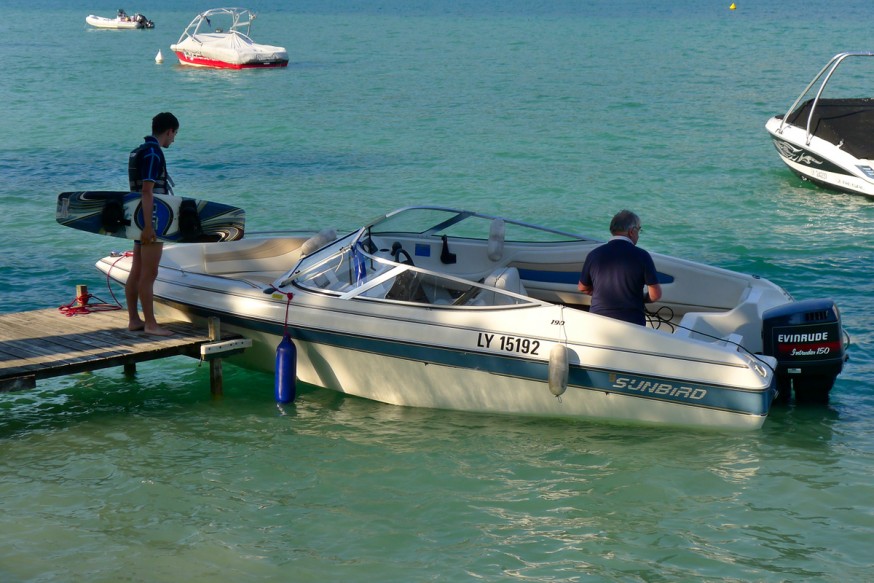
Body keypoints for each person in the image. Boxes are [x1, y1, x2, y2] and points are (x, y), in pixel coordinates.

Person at [125, 112, 179, 336]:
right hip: (152, 219)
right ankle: (150, 324)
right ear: (169, 131)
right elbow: (147, 191)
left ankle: (134, 320)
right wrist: (149, 226)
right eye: (174, 134)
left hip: (137, 217)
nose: (174, 140)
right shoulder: (153, 154)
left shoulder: (138, 150)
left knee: (137, 271)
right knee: (149, 273)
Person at [578, 210, 662, 326]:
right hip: (632, 323)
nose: (638, 235)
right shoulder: (642, 256)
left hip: (597, 321)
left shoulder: (594, 254)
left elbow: (582, 287)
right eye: (639, 230)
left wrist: (600, 293)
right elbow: (655, 295)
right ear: (632, 232)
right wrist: (640, 298)